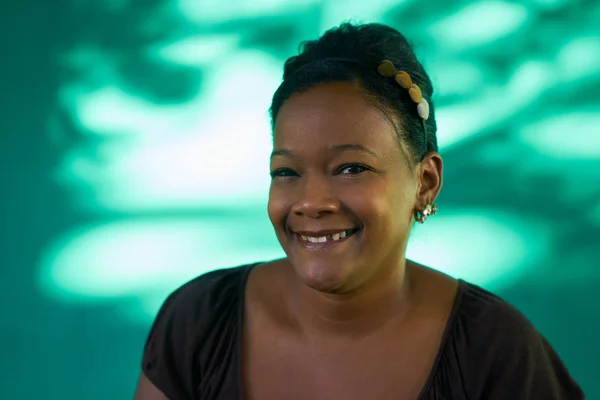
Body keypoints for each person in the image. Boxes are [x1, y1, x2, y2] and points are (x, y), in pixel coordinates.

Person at [133, 22, 584, 400]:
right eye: (286, 172)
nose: (311, 202)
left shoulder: (495, 351)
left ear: (424, 183)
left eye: (350, 168)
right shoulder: (198, 322)